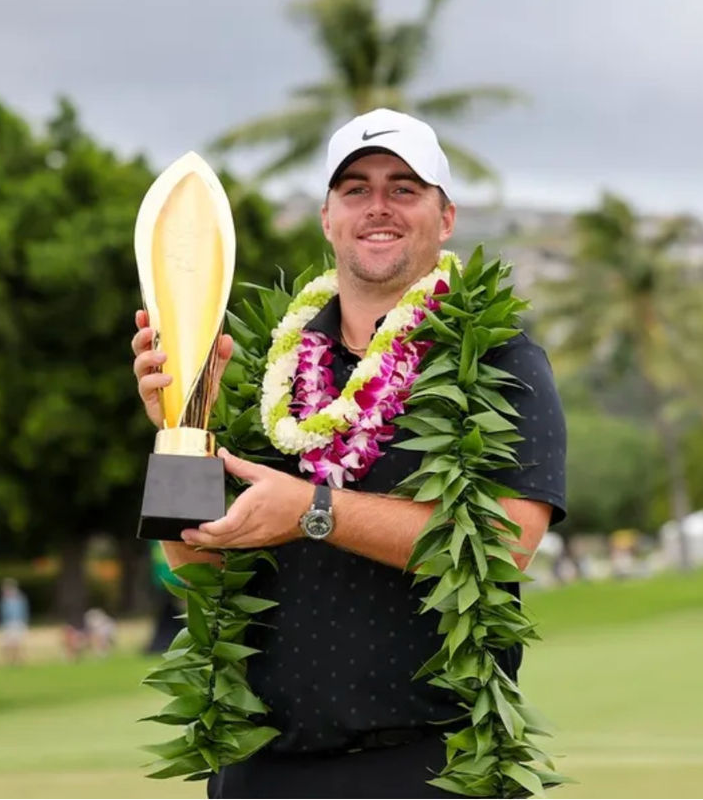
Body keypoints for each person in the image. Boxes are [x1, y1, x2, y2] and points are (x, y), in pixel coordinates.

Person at [132, 108, 567, 799]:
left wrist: (315, 510)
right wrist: (182, 428)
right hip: (261, 768)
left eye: (404, 188)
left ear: (445, 217)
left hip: (427, 767)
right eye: (356, 189)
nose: (378, 207)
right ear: (328, 218)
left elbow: (505, 544)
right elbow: (199, 570)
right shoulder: (258, 372)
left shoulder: (499, 359)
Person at [0, 577, 28, 666]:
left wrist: (23, 623)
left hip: (17, 623)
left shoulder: (19, 599)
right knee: (6, 644)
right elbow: (2, 614)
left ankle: (17, 660)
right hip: (6, 624)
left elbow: (23, 612)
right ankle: (9, 661)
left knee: (16, 644)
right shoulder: (4, 600)